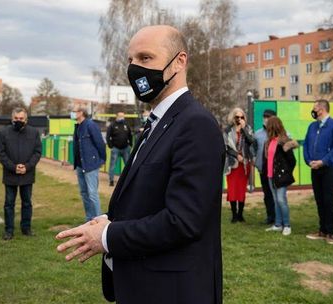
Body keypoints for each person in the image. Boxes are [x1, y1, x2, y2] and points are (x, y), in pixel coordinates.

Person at [56, 25, 224, 304]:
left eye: (145, 58)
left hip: (173, 292)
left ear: (180, 61)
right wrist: (113, 221)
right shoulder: (159, 122)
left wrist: (107, 236)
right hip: (143, 284)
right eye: (131, 60)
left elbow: (183, 221)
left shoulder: (195, 125)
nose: (134, 69)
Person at [303, 99, 333, 245]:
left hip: (331, 168)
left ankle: (330, 232)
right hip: (315, 168)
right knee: (319, 200)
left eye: (314, 107)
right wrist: (309, 161)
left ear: (321, 109)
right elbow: (306, 144)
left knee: (329, 200)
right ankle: (321, 230)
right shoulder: (312, 126)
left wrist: (323, 161)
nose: (313, 110)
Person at [0, 108, 42, 240]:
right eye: (16, 119)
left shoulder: (34, 133)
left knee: (27, 203)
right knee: (9, 204)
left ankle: (26, 228)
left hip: (27, 175)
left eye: (21, 119)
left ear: (26, 119)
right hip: (10, 174)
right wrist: (13, 167)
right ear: (12, 119)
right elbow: (1, 153)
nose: (18, 121)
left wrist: (27, 167)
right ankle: (9, 230)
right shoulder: (4, 132)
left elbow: (37, 152)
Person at [262, 116, 298, 236]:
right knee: (276, 200)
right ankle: (278, 224)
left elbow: (292, 160)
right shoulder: (268, 142)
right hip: (270, 176)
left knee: (281, 200)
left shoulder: (284, 142)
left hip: (280, 176)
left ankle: (287, 225)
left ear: (273, 127)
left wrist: (286, 173)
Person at [71, 105, 106, 221]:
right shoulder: (78, 126)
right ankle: (89, 219)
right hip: (80, 165)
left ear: (81, 112)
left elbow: (100, 143)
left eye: (74, 111)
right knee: (84, 193)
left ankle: (99, 220)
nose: (72, 113)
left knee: (92, 194)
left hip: (90, 164)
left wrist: (102, 159)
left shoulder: (90, 125)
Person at [224, 107, 255, 222]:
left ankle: (240, 214)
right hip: (233, 165)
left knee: (241, 190)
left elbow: (251, 141)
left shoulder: (248, 129)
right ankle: (234, 215)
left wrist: (244, 130)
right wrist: (237, 155)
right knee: (232, 190)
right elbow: (226, 147)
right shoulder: (228, 130)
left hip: (244, 165)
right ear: (233, 117)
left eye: (242, 117)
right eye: (237, 117)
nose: (239, 119)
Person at [254, 109, 277, 224]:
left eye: (268, 117)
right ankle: (270, 217)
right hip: (263, 169)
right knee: (267, 194)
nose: (266, 119)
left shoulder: (281, 134)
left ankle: (279, 218)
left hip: (276, 170)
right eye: (264, 117)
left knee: (277, 195)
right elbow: (253, 150)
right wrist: (255, 162)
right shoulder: (257, 134)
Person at [106, 111, 132, 187]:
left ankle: (128, 181)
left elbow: (130, 135)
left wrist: (130, 144)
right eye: (120, 116)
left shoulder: (126, 125)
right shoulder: (112, 125)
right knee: (112, 165)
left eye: (123, 116)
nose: (121, 117)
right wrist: (111, 146)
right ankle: (111, 180)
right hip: (115, 148)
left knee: (128, 165)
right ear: (116, 116)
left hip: (125, 148)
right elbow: (108, 136)